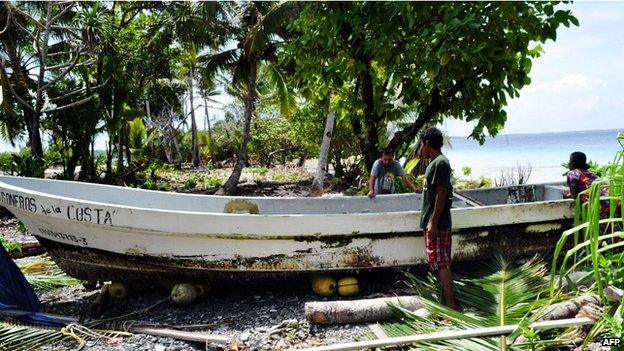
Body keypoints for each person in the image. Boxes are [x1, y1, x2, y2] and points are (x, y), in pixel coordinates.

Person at [419, 127, 461, 312]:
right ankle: (445, 302)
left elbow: (441, 193)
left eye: (422, 145)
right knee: (437, 263)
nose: (421, 149)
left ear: (427, 144)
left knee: (442, 263)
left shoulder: (440, 163)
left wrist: (432, 223)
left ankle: (451, 304)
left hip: (438, 223)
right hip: (433, 222)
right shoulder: (435, 163)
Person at [564, 151, 610, 218]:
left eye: (570, 161)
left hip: (596, 206)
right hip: (609, 203)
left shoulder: (572, 173)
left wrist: (565, 195)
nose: (569, 163)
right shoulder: (591, 174)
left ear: (573, 163)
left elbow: (573, 196)